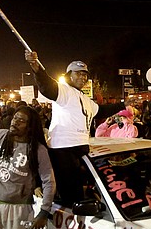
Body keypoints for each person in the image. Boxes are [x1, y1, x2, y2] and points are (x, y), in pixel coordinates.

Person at [25, 50, 123, 205]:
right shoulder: (63, 91)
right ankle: (66, 222)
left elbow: (102, 111)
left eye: (85, 74)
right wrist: (36, 66)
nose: (82, 77)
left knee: (86, 187)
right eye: (78, 74)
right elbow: (46, 86)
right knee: (71, 193)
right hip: (63, 148)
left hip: (80, 148)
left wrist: (124, 105)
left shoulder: (85, 99)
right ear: (68, 75)